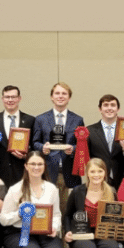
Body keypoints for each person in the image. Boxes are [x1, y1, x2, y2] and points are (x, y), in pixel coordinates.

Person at [63, 158, 122, 248]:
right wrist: (67, 231)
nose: (96, 175)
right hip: (82, 234)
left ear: (105, 173)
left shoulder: (111, 192)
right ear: (87, 173)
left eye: (100, 171)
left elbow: (117, 216)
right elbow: (67, 215)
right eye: (92, 171)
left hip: (104, 233)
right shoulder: (77, 191)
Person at [32, 82, 84, 213]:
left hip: (70, 171)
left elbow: (82, 146)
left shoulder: (77, 120)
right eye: (57, 93)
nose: (60, 96)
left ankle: (66, 233)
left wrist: (72, 148)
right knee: (47, 208)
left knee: (68, 210)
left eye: (64, 93)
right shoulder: (41, 119)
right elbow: (34, 143)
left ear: (69, 98)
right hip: (47, 170)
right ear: (51, 97)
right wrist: (42, 147)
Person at [0, 85, 36, 189]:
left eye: (13, 97)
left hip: (23, 172)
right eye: (7, 97)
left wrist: (25, 155)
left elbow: (34, 146)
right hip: (0, 173)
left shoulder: (30, 120)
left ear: (19, 98)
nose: (10, 100)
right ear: (2, 99)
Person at [87, 94, 124, 191]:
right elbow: (85, 159)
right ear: (100, 109)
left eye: (113, 105)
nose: (109, 108)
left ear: (118, 109)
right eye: (106, 105)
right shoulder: (89, 131)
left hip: (119, 182)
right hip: (97, 182)